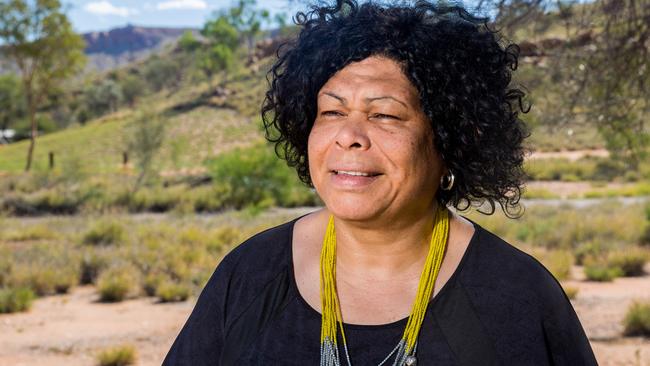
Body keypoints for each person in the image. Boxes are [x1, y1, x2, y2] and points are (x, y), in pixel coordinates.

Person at [163, 1, 598, 365]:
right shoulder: (250, 274)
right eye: (331, 112)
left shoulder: (516, 297)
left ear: (450, 139)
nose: (349, 135)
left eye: (385, 114)